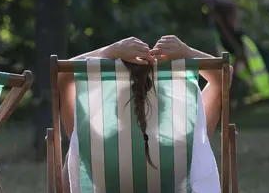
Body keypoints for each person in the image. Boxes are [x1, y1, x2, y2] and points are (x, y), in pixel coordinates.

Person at [58, 35, 232, 141]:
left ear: (113, 107)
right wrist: (187, 53)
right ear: (167, 108)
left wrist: (109, 52)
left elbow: (60, 75)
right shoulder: (187, 146)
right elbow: (225, 76)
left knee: (75, 151)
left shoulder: (92, 144)